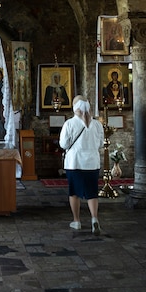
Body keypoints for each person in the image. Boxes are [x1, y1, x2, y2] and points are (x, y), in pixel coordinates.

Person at [59, 95, 104, 234]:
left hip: (75, 163)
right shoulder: (97, 124)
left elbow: (63, 144)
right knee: (92, 193)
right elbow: (101, 144)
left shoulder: (69, 124)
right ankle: (94, 219)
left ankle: (76, 221)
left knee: (74, 193)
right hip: (92, 163)